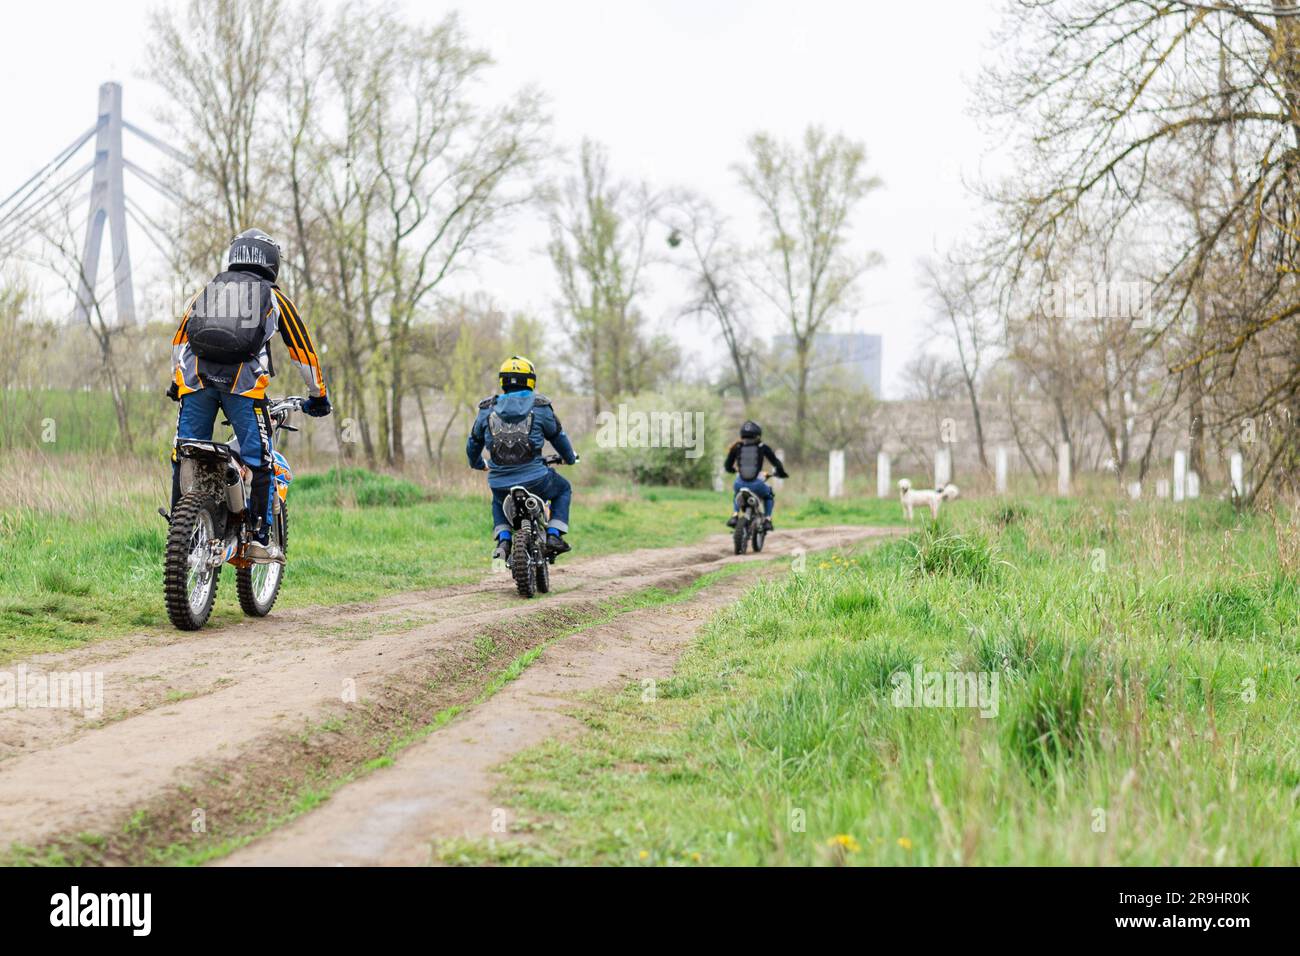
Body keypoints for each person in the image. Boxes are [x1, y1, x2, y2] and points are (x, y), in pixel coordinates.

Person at [168, 228, 331, 561]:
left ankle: (177, 528)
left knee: (185, 453)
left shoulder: (209, 290)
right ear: (272, 262)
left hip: (196, 383)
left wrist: (177, 382)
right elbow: (303, 351)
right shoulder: (273, 296)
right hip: (242, 389)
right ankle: (259, 536)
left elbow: (180, 339)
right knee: (260, 460)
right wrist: (318, 396)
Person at [467, 356, 579, 561]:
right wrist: (569, 458)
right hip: (537, 480)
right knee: (563, 488)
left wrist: (478, 464)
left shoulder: (486, 409)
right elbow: (558, 437)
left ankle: (503, 540)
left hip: (499, 481)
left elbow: (473, 443)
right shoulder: (541, 406)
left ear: (503, 381)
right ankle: (554, 535)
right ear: (531, 380)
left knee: (499, 499)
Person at [724, 420, 788, 530]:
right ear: (758, 435)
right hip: (757, 484)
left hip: (739, 483)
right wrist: (781, 473)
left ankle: (735, 515)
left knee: (737, 493)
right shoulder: (762, 447)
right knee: (769, 494)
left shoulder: (737, 446)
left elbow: (727, 466)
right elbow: (776, 462)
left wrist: (733, 470)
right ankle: (768, 519)